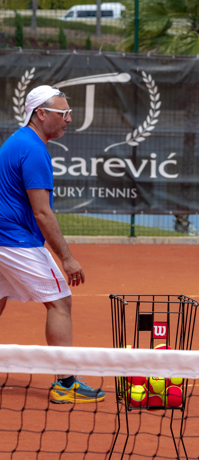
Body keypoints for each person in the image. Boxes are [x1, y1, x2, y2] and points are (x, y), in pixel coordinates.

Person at [0, 85, 105, 404]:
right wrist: (67, 259)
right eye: (63, 114)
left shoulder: (15, 142)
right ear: (41, 114)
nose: (69, 119)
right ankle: (66, 383)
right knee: (60, 302)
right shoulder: (33, 150)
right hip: (16, 241)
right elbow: (42, 212)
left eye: (69, 113)